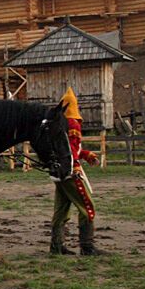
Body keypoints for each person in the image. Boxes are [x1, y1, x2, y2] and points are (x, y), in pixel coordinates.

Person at [50, 87, 104, 256]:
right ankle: (87, 246)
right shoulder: (72, 124)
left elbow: (73, 149)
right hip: (70, 172)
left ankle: (57, 246)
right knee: (88, 207)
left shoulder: (58, 124)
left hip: (58, 173)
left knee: (61, 210)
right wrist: (75, 167)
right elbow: (71, 152)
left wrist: (87, 155)